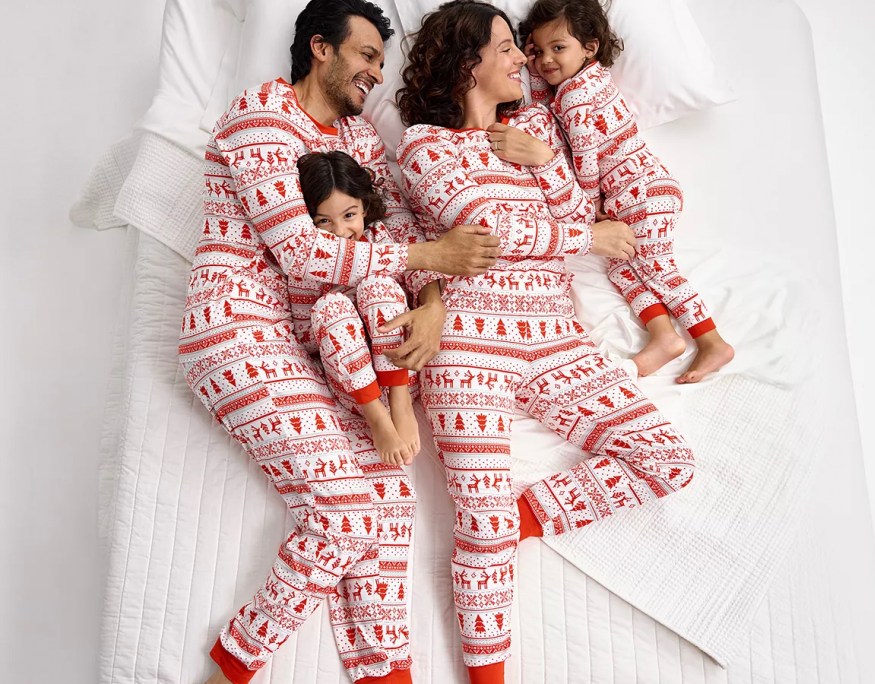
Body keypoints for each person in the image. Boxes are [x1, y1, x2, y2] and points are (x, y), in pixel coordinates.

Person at [177, 0, 500, 682]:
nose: (375, 75)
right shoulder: (259, 119)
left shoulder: (356, 139)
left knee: (391, 502)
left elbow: (400, 232)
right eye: (365, 57)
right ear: (320, 49)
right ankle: (233, 665)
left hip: (324, 350)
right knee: (347, 515)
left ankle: (388, 677)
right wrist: (429, 263)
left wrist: (434, 304)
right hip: (241, 332)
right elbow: (301, 253)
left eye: (382, 62)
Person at [396, 2, 697, 682]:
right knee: (479, 525)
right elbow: (484, 236)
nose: (521, 62)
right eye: (506, 48)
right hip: (469, 348)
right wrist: (589, 238)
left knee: (666, 460)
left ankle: (512, 526)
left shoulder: (535, 127)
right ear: (465, 62)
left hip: (556, 337)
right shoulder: (423, 147)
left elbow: (569, 211)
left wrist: (547, 164)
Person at [520, 0, 735, 382]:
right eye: (540, 50)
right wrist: (535, 67)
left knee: (657, 268)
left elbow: (584, 156)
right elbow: (543, 105)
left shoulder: (574, 96)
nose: (548, 60)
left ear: (590, 47)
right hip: (636, 194)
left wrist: (588, 205)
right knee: (622, 267)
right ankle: (664, 337)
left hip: (642, 192)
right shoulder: (588, 80)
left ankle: (712, 341)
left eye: (558, 48)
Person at [296, 150, 420, 465]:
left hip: (401, 373)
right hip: (353, 386)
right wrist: (339, 309)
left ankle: (400, 403)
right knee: (331, 306)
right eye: (324, 221)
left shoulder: (380, 238)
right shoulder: (306, 265)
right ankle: (377, 417)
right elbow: (306, 337)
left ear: (364, 207)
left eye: (349, 215)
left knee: (377, 285)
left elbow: (403, 294)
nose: (340, 232)